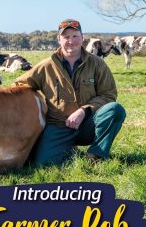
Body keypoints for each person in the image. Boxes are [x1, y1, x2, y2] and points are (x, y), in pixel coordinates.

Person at [15, 19, 126, 167]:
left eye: (75, 36)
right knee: (43, 165)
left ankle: (96, 155)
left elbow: (108, 94)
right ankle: (68, 150)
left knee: (115, 110)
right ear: (59, 39)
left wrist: (83, 111)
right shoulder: (46, 66)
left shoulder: (97, 63)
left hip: (89, 123)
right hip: (58, 126)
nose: (71, 41)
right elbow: (19, 86)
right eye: (66, 37)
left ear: (82, 38)